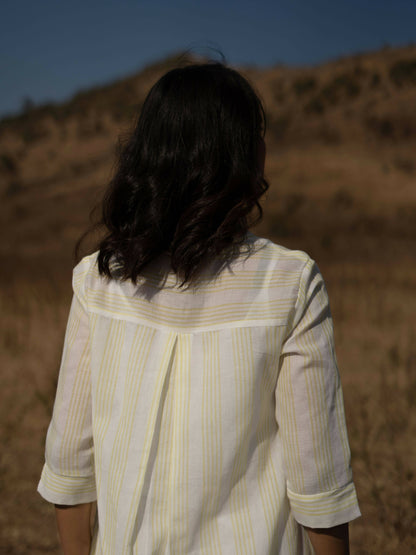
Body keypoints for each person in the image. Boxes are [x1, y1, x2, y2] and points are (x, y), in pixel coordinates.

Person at [37, 62, 360, 554]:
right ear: (241, 156)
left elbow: (69, 467)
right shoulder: (289, 282)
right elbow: (318, 483)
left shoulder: (98, 281)